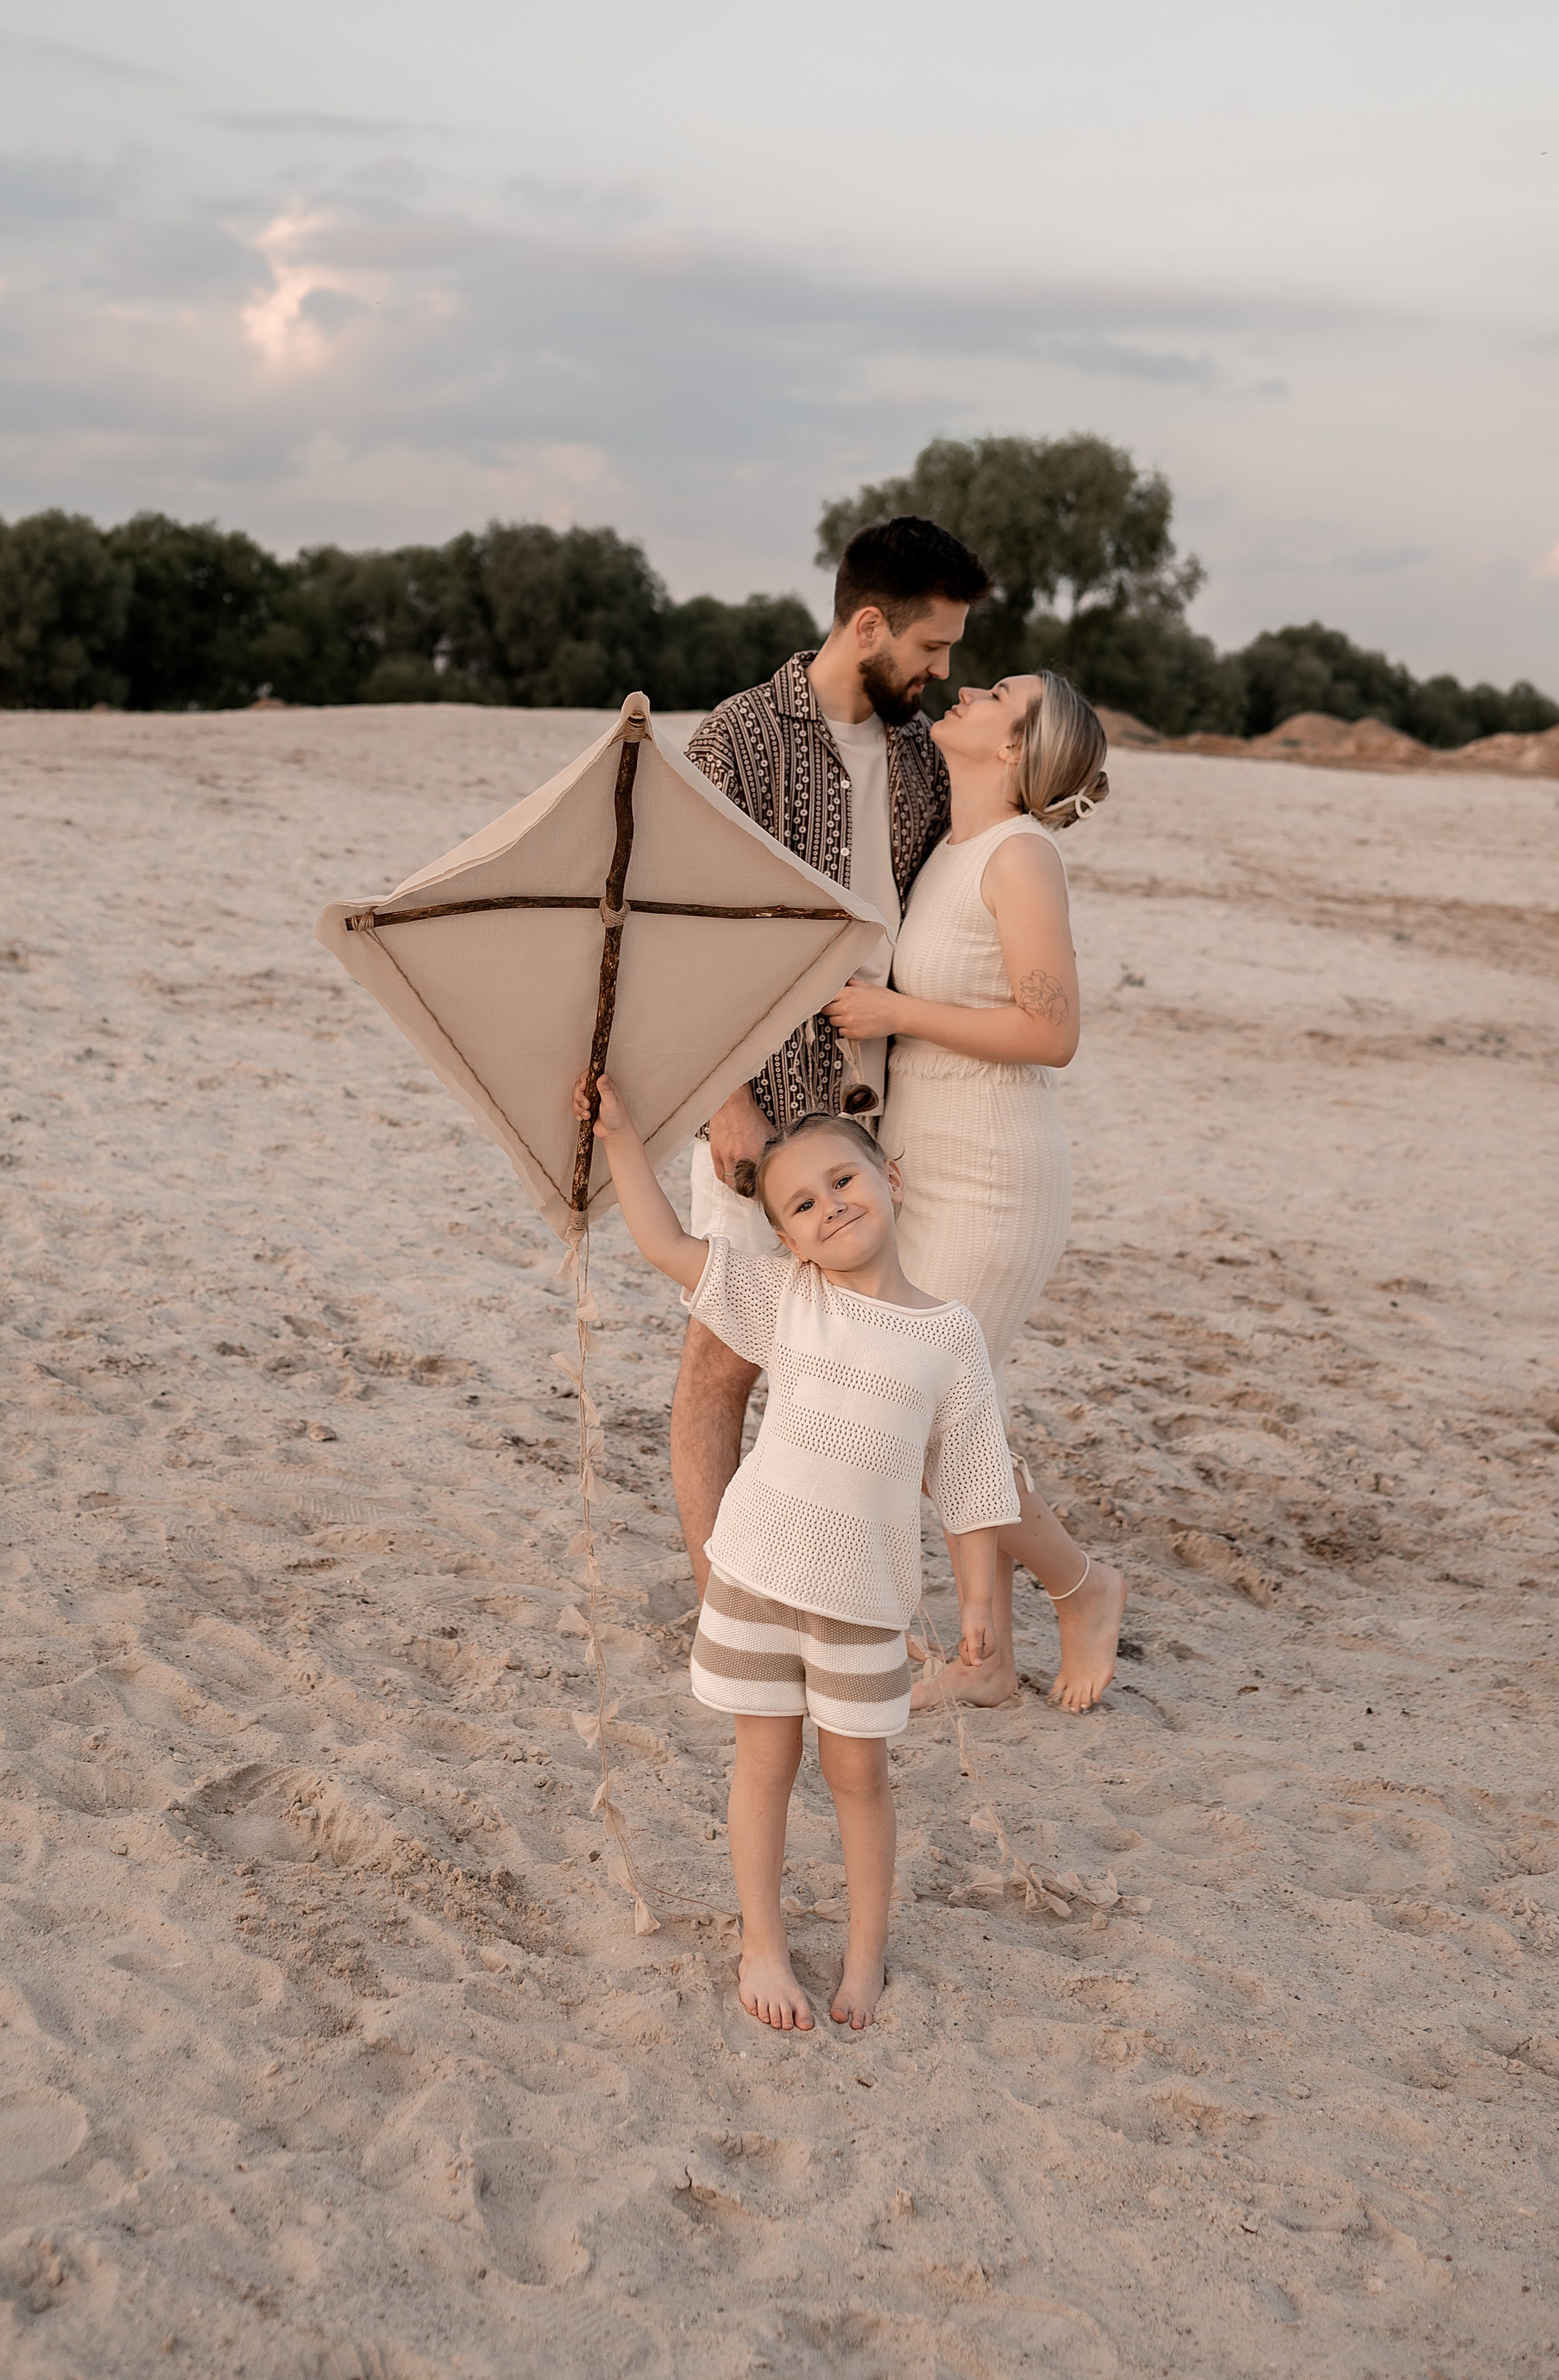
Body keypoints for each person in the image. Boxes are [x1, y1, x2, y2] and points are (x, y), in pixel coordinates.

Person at [573, 1075, 1020, 2035]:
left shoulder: (950, 1337)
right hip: (757, 1579)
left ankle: (865, 1954)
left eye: (843, 1182)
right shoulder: (786, 1300)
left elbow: (975, 1479)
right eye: (803, 1206)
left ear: (893, 1179)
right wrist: (622, 1137)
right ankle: (763, 1943)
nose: (831, 1208)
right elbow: (666, 1245)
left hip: (864, 1598)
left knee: (860, 1778)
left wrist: (980, 1602)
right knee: (764, 1764)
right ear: (786, 1240)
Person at [676, 513, 993, 1595]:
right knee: (725, 1360)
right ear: (868, 627)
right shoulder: (738, 740)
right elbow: (686, 936)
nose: (942, 670)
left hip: (878, 1118)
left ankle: (799, 1582)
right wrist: (725, 1103)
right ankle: (721, 1603)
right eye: (931, 646)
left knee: (845, 1366)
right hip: (759, 1108)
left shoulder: (921, 755)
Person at [826, 670, 1127, 1712]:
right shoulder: (952, 851)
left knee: (930, 1417)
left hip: (995, 1175)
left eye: (998, 693)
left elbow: (1054, 1032)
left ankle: (1081, 1587)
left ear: (1015, 749)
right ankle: (986, 1657)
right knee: (954, 1419)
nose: (966, 687)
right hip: (926, 1161)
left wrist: (896, 1013)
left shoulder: (1021, 855)